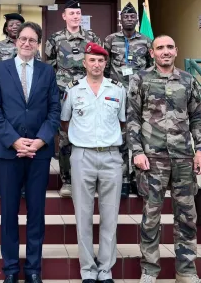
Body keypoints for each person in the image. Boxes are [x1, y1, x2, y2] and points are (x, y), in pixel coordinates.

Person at [127, 35, 201, 283]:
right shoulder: (140, 79)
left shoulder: (188, 79)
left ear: (176, 51)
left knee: (186, 216)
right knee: (151, 216)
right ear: (152, 53)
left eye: (169, 47)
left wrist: (200, 150)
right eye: (160, 47)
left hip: (183, 158)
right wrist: (137, 152)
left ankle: (186, 270)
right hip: (152, 158)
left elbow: (196, 118)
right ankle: (149, 269)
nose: (165, 51)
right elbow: (132, 118)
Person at [0, 22, 60, 283]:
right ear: (16, 41)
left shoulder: (47, 72)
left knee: (36, 213)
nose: (27, 43)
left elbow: (54, 111)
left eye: (32, 40)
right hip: (9, 153)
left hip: (39, 154)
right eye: (23, 39)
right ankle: (10, 270)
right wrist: (15, 141)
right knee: (8, 213)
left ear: (38, 44)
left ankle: (33, 270)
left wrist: (39, 141)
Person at [61, 42, 125, 283]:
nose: (96, 64)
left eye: (100, 60)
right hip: (82, 156)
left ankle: (105, 270)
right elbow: (65, 122)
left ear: (105, 63)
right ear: (84, 62)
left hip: (111, 156)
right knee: (83, 216)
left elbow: (123, 122)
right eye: (92, 60)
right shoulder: (73, 90)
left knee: (110, 216)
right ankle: (87, 270)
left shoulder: (118, 90)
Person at [45, 0, 101, 197]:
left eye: (78, 13)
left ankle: (89, 180)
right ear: (64, 16)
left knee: (89, 135)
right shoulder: (55, 38)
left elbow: (100, 63)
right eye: (71, 13)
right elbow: (49, 65)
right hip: (64, 95)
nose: (75, 16)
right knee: (66, 138)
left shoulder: (92, 37)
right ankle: (67, 181)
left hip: (88, 94)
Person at [0, 12, 39, 198]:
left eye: (18, 24)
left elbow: (36, 70)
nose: (14, 26)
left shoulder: (32, 47)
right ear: (6, 27)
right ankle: (0, 184)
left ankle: (24, 187)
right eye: (11, 24)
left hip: (27, 100)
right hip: (6, 95)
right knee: (6, 148)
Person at [104, 2, 153, 199]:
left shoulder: (146, 41)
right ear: (120, 19)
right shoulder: (110, 40)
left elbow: (151, 68)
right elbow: (105, 67)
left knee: (141, 137)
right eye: (126, 17)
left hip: (140, 96)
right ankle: (123, 179)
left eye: (133, 17)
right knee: (121, 138)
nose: (129, 20)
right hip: (118, 96)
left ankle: (137, 179)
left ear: (137, 20)